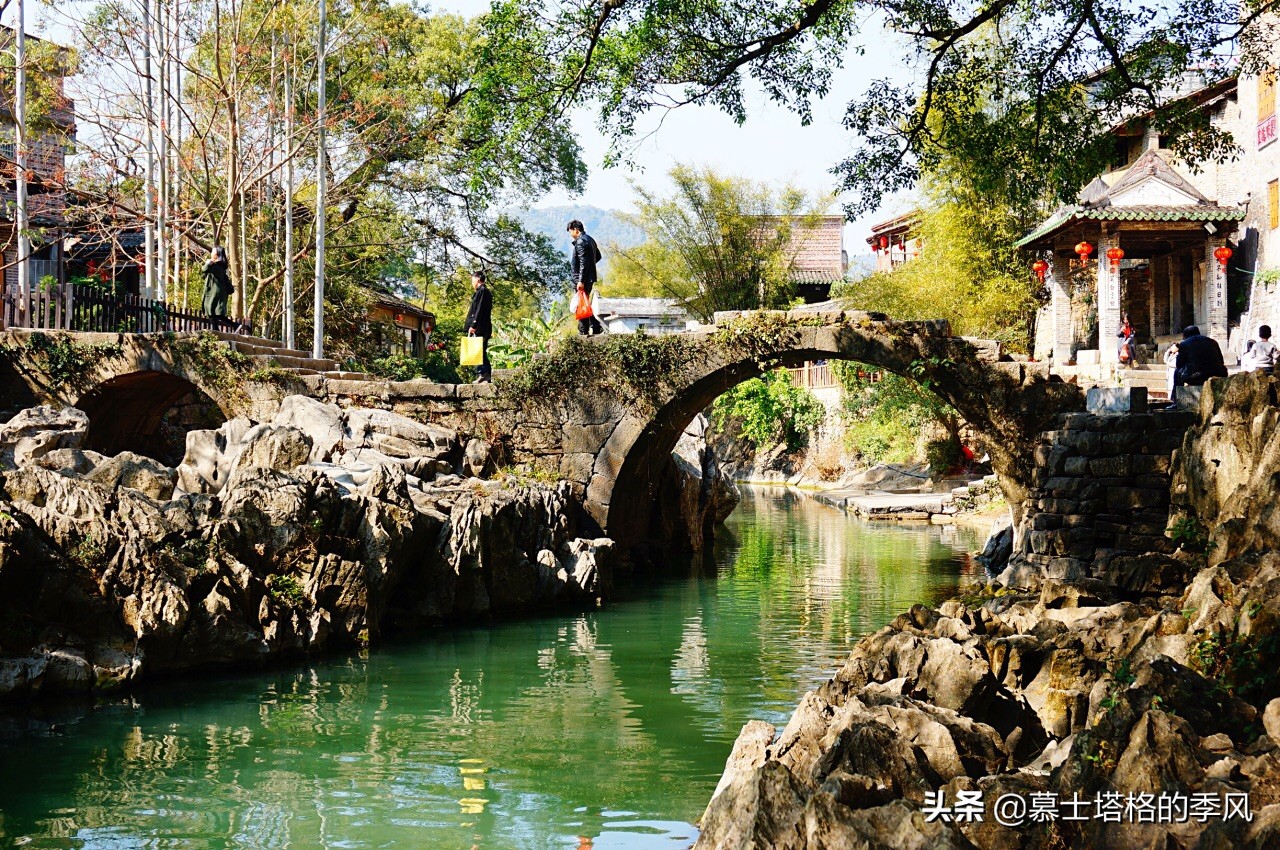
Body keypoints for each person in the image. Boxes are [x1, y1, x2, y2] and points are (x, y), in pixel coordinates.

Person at [568, 219, 605, 335]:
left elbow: (583, 262)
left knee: (581, 303)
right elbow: (598, 256)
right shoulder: (590, 240)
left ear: (576, 230)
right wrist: (590, 267)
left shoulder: (580, 242)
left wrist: (581, 280)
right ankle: (596, 326)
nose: (570, 234)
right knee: (585, 302)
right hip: (589, 277)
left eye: (570, 231)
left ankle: (583, 331)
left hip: (582, 279)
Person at [464, 269, 493, 383]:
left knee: (477, 350)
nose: (472, 283)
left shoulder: (482, 291)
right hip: (483, 326)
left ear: (478, 279)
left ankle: (483, 373)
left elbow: (479, 310)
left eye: (473, 280)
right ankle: (486, 375)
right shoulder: (483, 292)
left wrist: (474, 325)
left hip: (480, 327)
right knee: (481, 350)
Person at [201, 246, 233, 319]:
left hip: (214, 293)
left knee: (212, 312)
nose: (211, 253)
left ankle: (235, 326)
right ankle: (234, 326)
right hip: (217, 292)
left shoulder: (216, 265)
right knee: (214, 314)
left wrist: (208, 262)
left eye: (213, 251)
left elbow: (204, 269)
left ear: (217, 254)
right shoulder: (221, 266)